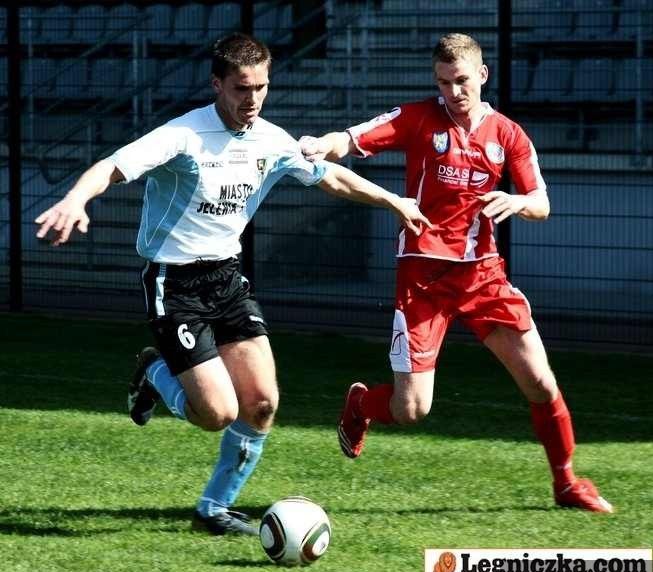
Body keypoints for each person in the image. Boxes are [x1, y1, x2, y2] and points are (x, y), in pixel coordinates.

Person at [34, 33, 431, 536]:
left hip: (226, 279)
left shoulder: (271, 139)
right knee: (217, 413)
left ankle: (213, 509)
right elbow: (112, 167)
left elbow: (331, 177)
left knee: (262, 403)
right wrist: (76, 199)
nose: (253, 99)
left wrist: (393, 201)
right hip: (174, 283)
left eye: (261, 87)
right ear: (217, 84)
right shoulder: (183, 135)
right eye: (242, 88)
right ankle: (154, 371)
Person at [300, 33, 612, 513]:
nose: (453, 91)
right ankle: (361, 405)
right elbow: (352, 138)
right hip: (422, 278)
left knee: (540, 382)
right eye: (443, 82)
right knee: (411, 410)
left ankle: (567, 483)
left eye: (462, 80)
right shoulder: (418, 118)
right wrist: (320, 144)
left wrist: (518, 201)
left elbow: (542, 203)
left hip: (484, 277)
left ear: (482, 75)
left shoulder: (508, 134)